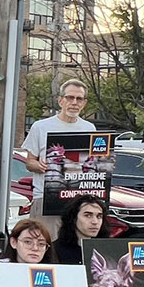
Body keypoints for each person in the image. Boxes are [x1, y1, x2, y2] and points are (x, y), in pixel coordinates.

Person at [21, 78, 96, 237]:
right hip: (47, 197)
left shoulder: (90, 128)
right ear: (60, 100)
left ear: (84, 103)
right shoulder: (40, 127)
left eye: (79, 99)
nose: (74, 102)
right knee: (45, 246)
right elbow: (29, 162)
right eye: (70, 97)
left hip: (77, 199)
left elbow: (92, 164)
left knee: (75, 247)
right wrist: (39, 166)